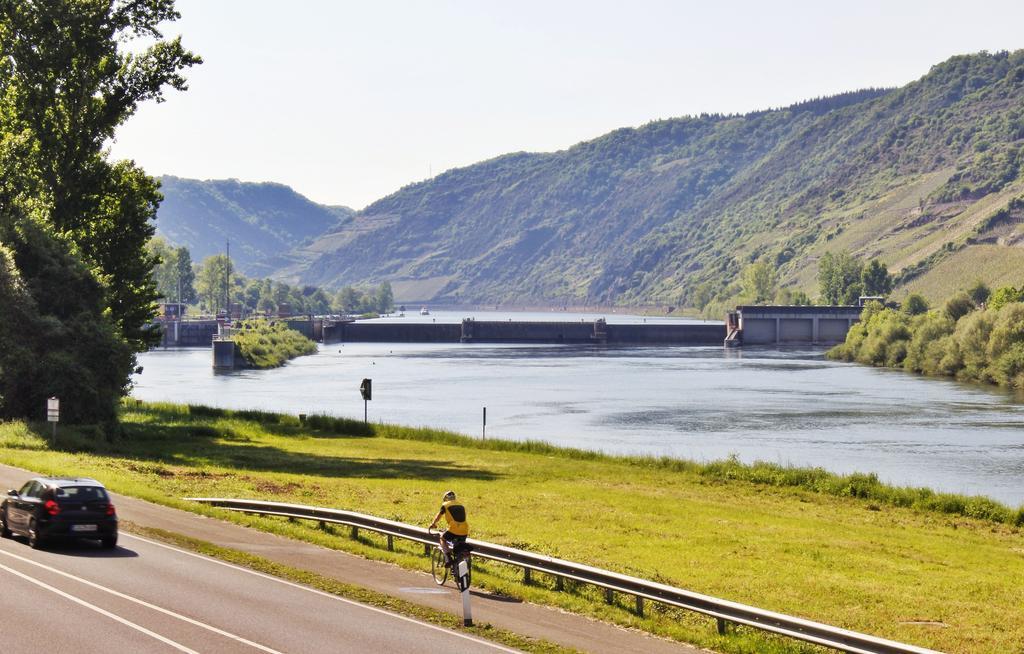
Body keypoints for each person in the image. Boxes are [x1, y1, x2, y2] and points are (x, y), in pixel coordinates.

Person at [429, 490, 469, 563]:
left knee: (442, 538)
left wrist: (433, 523)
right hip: (465, 529)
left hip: (454, 529)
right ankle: (461, 565)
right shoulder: (461, 505)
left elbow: (438, 516)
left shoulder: (445, 505)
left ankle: (448, 557)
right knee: (459, 547)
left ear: (445, 498)